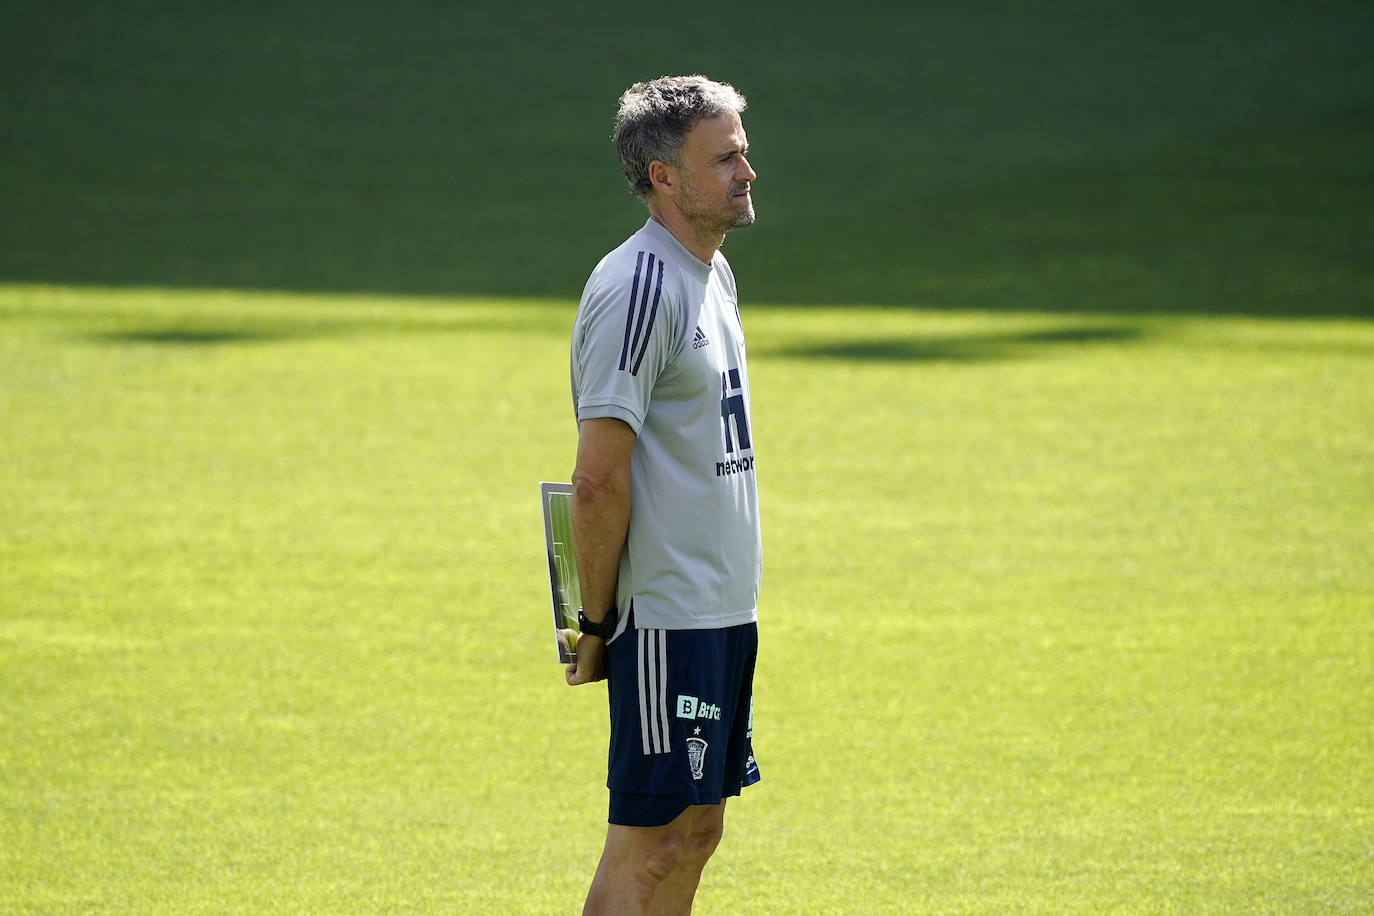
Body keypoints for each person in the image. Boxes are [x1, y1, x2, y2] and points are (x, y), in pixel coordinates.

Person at [564, 74, 763, 915]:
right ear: (663, 177)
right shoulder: (638, 288)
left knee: (695, 833)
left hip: (720, 609)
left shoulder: (708, 276)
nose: (747, 171)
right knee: (649, 847)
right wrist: (599, 621)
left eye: (744, 151)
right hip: (665, 618)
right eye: (723, 159)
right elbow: (597, 478)